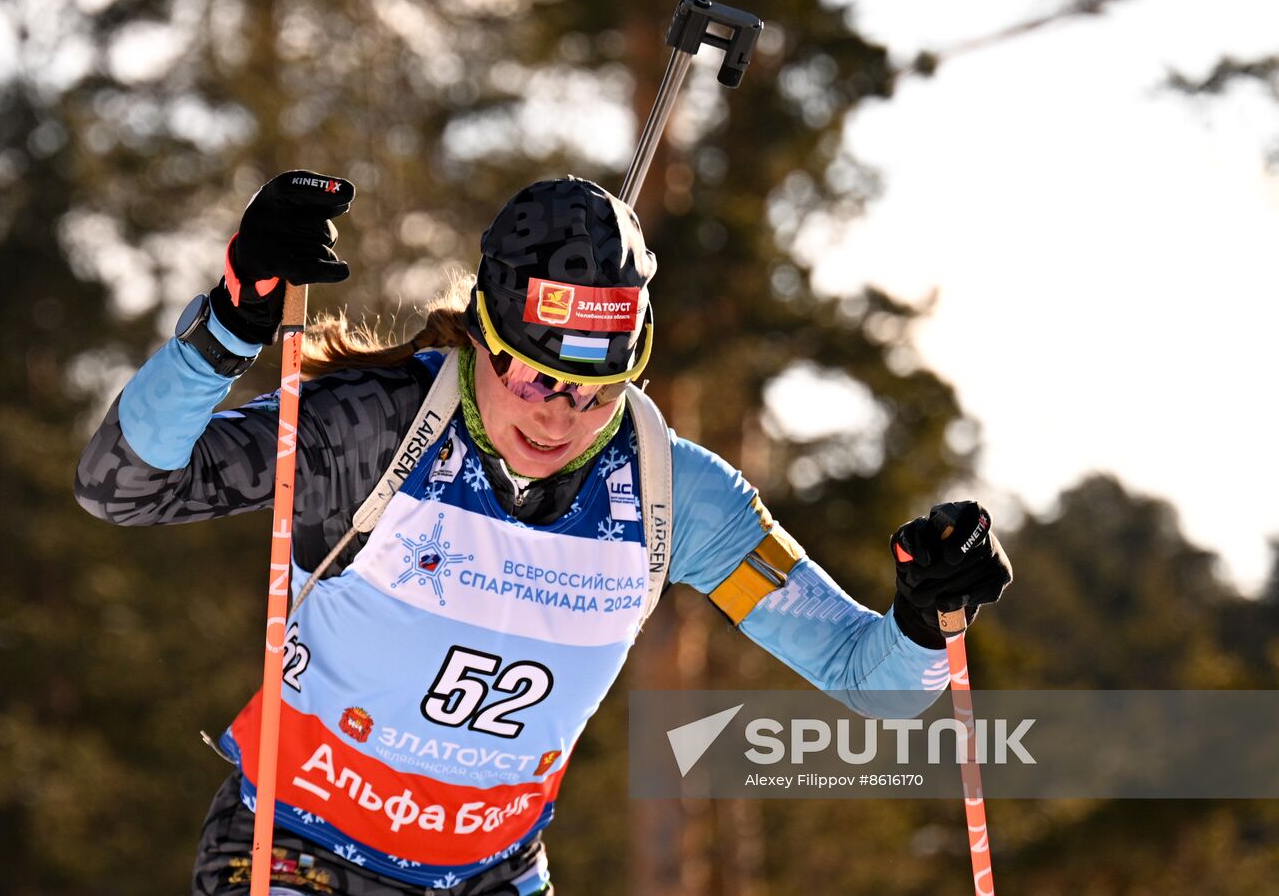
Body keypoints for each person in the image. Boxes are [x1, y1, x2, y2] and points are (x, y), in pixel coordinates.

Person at [75, 171, 1013, 896]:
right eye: (535, 378)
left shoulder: (671, 490)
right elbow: (122, 487)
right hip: (297, 852)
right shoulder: (371, 430)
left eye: (601, 390)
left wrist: (927, 620)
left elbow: (872, 687)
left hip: (490, 875)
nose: (563, 417)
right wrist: (232, 325)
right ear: (482, 334)